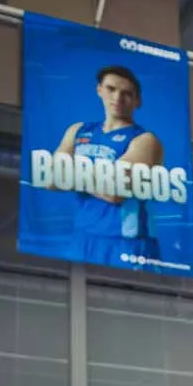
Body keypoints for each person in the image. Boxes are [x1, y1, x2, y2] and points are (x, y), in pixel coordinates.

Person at [54, 65, 164, 269]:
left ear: (137, 101)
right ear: (99, 90)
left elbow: (115, 191)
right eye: (111, 89)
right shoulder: (78, 130)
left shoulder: (145, 140)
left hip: (127, 244)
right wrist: (97, 179)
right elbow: (51, 178)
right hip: (83, 237)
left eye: (127, 94)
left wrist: (71, 174)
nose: (118, 98)